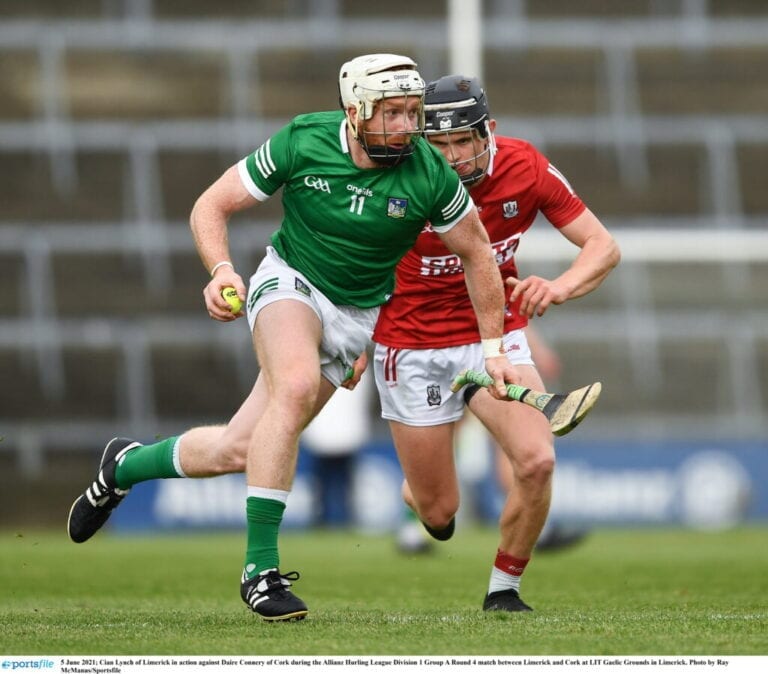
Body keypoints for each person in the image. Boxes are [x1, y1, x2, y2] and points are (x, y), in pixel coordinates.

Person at [66, 54, 520, 622]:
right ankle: (260, 571)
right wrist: (222, 271)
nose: (409, 126)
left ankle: (124, 466)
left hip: (356, 319)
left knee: (238, 448)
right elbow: (212, 205)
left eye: (413, 112)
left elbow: (478, 254)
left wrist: (495, 351)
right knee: (296, 386)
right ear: (355, 110)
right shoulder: (303, 141)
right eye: (394, 113)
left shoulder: (429, 173)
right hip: (291, 281)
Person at [372, 75, 621, 612]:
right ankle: (418, 494)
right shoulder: (392, 180)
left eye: (464, 140)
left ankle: (503, 591)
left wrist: (556, 287)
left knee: (537, 462)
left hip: (494, 336)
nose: (453, 157)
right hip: (409, 346)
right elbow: (354, 263)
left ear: (490, 131)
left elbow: (602, 246)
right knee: (439, 513)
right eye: (437, 145)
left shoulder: (524, 167)